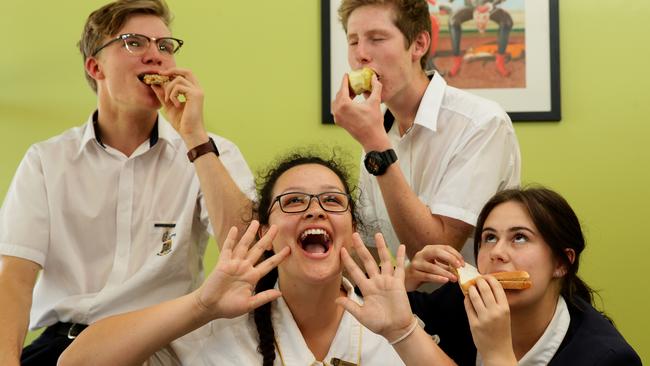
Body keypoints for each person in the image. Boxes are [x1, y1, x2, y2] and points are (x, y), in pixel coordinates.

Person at [0, 1, 255, 364]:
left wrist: (196, 139)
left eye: (165, 46)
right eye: (134, 43)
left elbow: (248, 248)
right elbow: (15, 278)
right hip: (65, 347)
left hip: (164, 346)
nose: (156, 56)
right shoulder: (46, 161)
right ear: (95, 66)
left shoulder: (212, 152)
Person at [59, 153, 406, 366]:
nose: (315, 210)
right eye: (294, 201)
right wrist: (200, 306)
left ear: (353, 226)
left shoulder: (392, 328)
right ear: (266, 231)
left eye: (331, 200)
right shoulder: (215, 332)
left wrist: (405, 331)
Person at [338, 187, 642, 365]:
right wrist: (405, 280)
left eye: (520, 238)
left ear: (562, 263)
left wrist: (497, 353)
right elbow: (383, 308)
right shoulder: (460, 302)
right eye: (489, 238)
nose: (497, 253)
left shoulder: (606, 358)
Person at [332, 0, 520, 262]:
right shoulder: (377, 129)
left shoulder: (482, 123)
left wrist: (375, 145)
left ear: (419, 44)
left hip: (468, 301)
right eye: (353, 41)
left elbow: (437, 252)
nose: (361, 54)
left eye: (376, 38)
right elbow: (373, 250)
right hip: (402, 300)